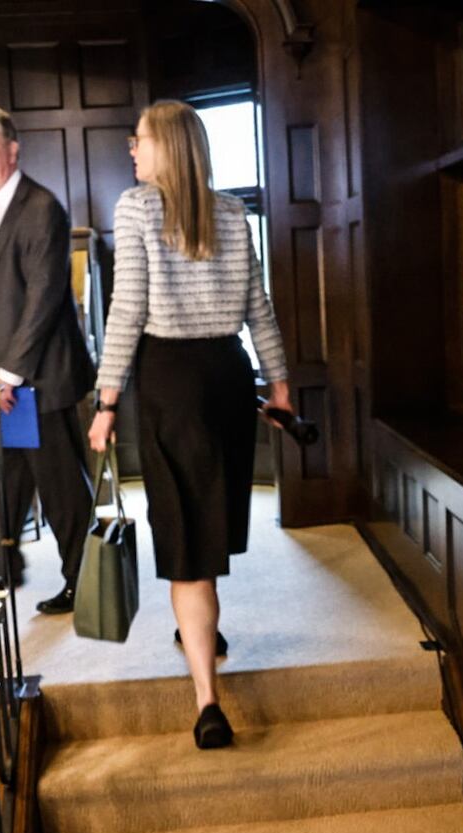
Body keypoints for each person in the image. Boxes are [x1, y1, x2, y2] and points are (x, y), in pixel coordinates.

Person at [88, 99, 292, 750]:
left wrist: (107, 403)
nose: (131, 148)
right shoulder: (232, 213)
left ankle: (208, 700)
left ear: (166, 146)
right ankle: (201, 628)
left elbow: (125, 313)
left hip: (172, 381)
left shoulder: (138, 207)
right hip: (228, 377)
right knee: (211, 527)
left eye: (139, 139)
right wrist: (280, 385)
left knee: (186, 549)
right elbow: (259, 307)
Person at [0, 105, 96, 615]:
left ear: (12, 150)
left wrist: (10, 373)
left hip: (41, 375)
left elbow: (41, 300)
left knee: (60, 487)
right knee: (8, 472)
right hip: (7, 374)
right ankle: (6, 561)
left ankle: (85, 583)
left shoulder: (40, 208)